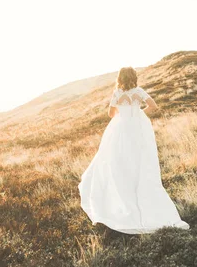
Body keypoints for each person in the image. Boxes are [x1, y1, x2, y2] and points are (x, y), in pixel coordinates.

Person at [78, 66, 189, 234]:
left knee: (120, 162)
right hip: (137, 130)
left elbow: (110, 114)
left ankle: (122, 196)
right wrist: (139, 114)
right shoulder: (139, 91)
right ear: (134, 77)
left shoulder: (117, 93)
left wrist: (122, 114)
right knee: (139, 161)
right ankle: (140, 192)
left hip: (121, 130)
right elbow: (154, 106)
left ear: (120, 78)